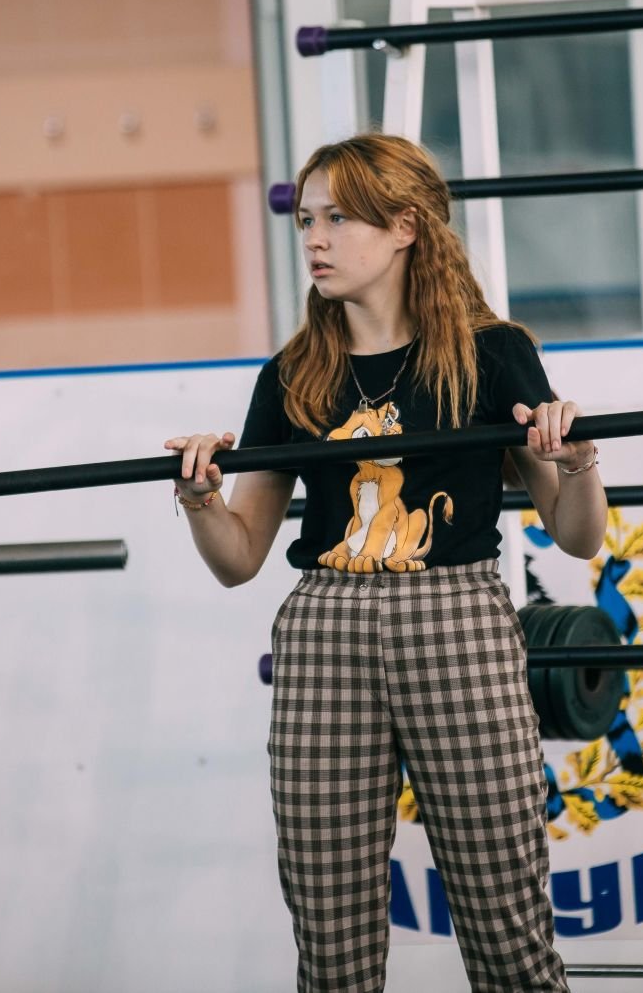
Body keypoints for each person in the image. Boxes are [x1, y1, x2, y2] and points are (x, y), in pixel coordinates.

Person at [164, 133, 606, 992]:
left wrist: (581, 461)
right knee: (332, 948)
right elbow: (239, 557)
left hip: (457, 624)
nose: (315, 239)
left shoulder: (491, 354)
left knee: (510, 934)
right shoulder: (290, 375)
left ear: (405, 226)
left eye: (339, 218)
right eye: (307, 220)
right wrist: (200, 497)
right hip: (325, 630)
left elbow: (577, 533)